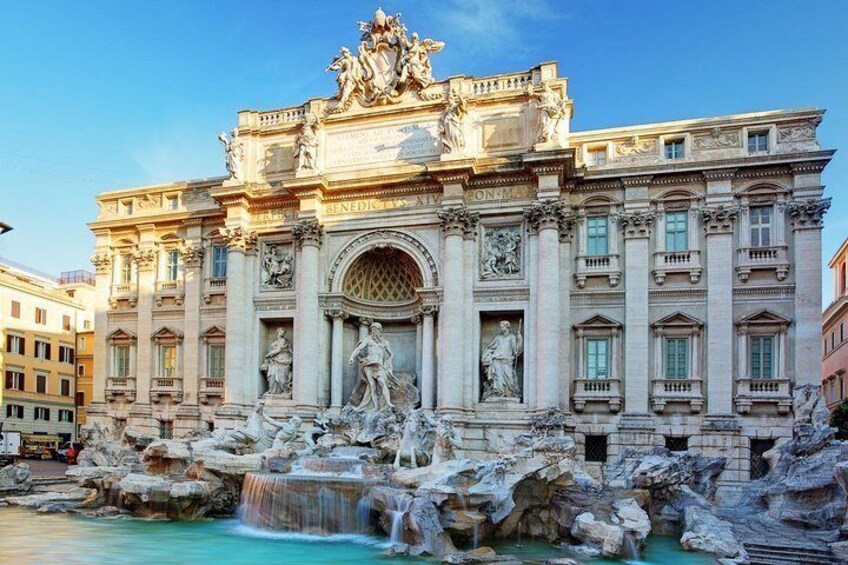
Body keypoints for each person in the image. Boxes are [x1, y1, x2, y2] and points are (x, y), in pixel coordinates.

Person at [348, 322, 396, 412]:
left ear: (379, 331)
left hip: (379, 365)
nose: (373, 332)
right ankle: (375, 406)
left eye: (375, 330)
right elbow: (359, 349)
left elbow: (391, 354)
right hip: (368, 364)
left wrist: (389, 360)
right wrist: (352, 357)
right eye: (372, 330)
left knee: (382, 383)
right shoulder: (368, 340)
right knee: (372, 386)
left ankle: (388, 402)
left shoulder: (385, 343)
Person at [481, 320, 523, 400]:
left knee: (509, 378)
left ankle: (509, 394)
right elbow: (490, 347)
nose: (501, 328)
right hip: (496, 360)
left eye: (502, 326)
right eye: (500, 327)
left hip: (507, 361)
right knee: (498, 378)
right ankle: (498, 394)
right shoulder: (498, 337)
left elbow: (516, 350)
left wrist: (520, 339)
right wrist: (487, 355)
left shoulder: (512, 337)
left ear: (507, 327)